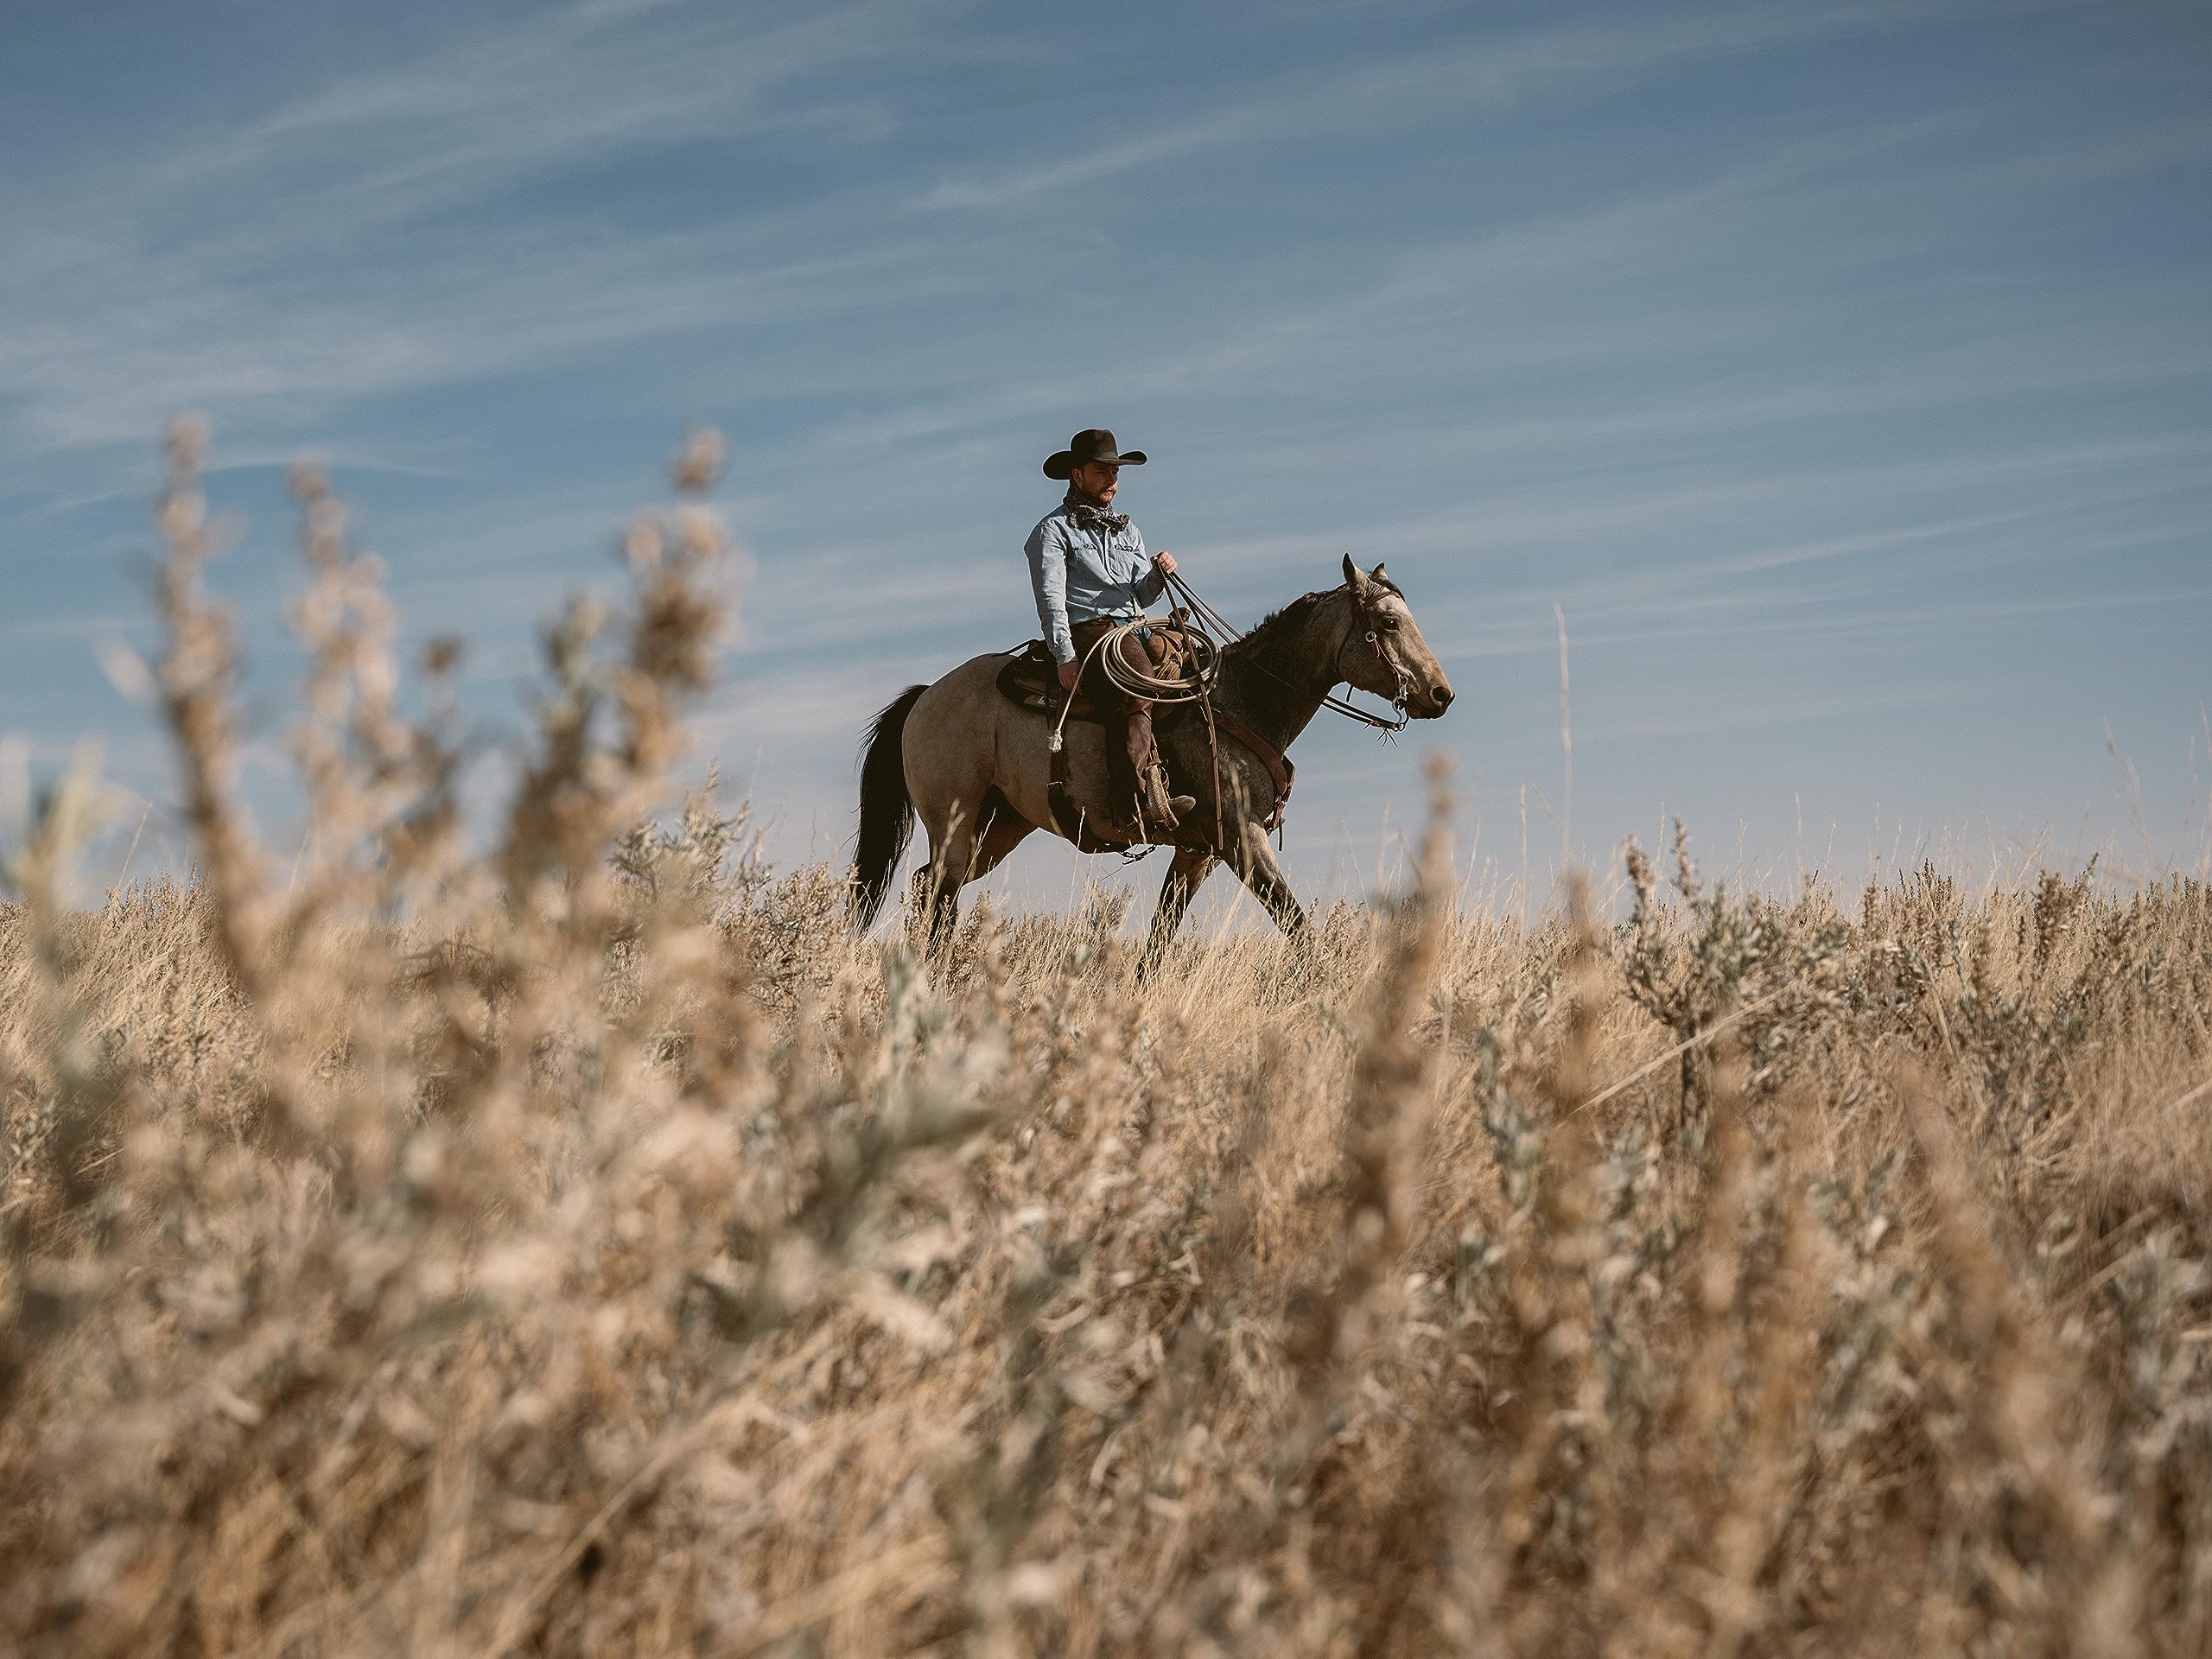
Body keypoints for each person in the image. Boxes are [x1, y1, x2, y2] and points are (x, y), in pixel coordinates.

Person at [1025, 428, 1197, 842]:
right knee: (1137, 686)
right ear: (1077, 475)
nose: (1112, 480)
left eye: (1115, 472)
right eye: (1102, 471)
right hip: (1092, 629)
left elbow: (1142, 592)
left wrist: (1159, 572)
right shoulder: (1052, 532)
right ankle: (1136, 805)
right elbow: (1051, 599)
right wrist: (1065, 655)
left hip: (1134, 625)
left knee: (1198, 666)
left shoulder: (1127, 531)